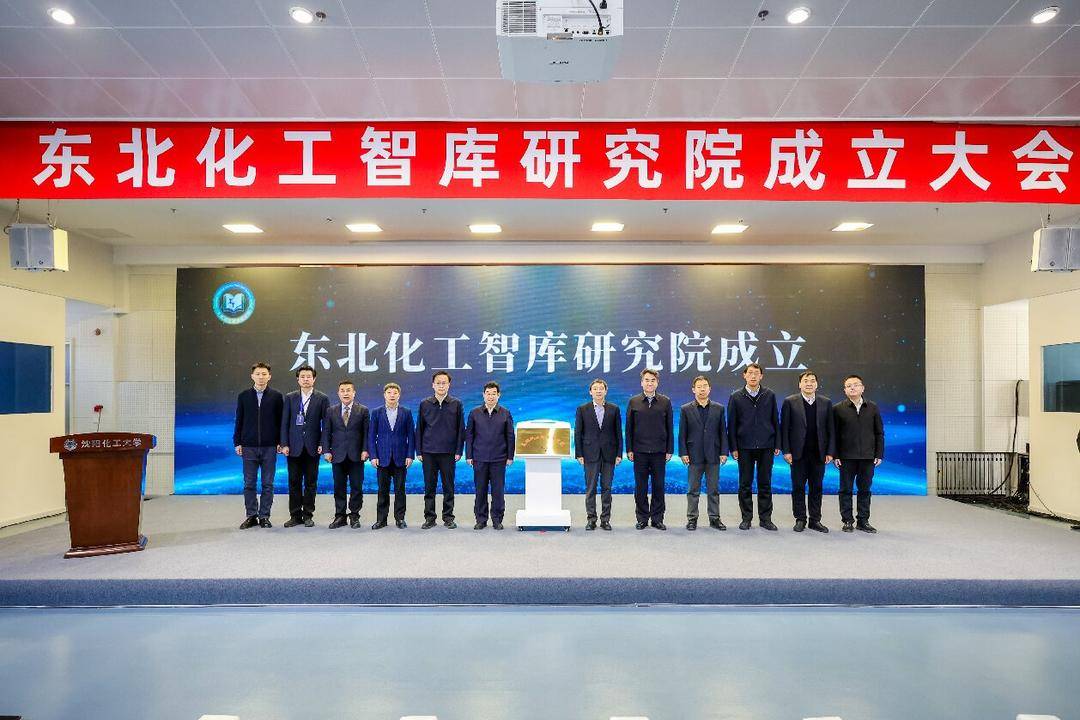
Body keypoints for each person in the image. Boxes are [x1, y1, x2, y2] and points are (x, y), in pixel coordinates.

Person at [727, 363, 781, 531]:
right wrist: (733, 447)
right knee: (745, 484)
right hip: (744, 446)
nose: (753, 376)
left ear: (761, 376)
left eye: (756, 373)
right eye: (750, 373)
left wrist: (777, 443)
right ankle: (746, 518)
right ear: (744, 375)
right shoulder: (736, 396)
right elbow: (732, 424)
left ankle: (765, 519)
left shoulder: (769, 395)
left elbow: (775, 420)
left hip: (766, 446)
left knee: (765, 483)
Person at [780, 370, 833, 533]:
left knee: (816, 487)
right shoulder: (790, 401)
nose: (809, 383)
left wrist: (830, 452)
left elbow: (831, 429)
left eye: (812, 380)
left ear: (816, 384)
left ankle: (815, 520)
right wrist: (786, 451)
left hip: (819, 453)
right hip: (798, 454)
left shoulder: (826, 402)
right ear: (800, 384)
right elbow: (784, 428)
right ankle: (800, 518)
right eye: (805, 380)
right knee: (798, 487)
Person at [233, 362, 284, 529]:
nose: (261, 377)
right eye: (258, 374)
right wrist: (237, 442)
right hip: (248, 446)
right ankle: (251, 515)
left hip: (270, 447)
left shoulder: (276, 396)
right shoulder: (243, 396)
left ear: (269, 376)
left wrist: (280, 442)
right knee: (249, 483)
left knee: (268, 484)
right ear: (252, 376)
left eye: (264, 374)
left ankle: (264, 516)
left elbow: (281, 422)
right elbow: (239, 420)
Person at [279, 364, 330, 528]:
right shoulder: (290, 397)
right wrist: (284, 444)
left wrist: (323, 444)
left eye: (309, 376)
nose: (306, 379)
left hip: (313, 447)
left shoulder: (322, 398)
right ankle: (295, 515)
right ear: (298, 379)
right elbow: (284, 422)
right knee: (293, 482)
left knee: (310, 482)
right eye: (303, 377)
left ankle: (308, 515)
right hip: (293, 447)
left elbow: (326, 424)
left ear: (314, 379)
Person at [832, 374, 884, 533]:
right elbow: (833, 434)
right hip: (846, 458)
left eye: (855, 384)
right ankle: (847, 520)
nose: (852, 387)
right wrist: (835, 455)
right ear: (844, 390)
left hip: (868, 457)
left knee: (865, 490)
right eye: (849, 386)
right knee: (845, 490)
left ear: (863, 388)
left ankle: (863, 520)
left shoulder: (873, 407)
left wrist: (879, 454)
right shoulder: (838, 409)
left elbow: (879, 433)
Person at [416, 371, 465, 529]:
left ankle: (448, 517)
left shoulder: (456, 404)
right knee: (429, 487)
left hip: (448, 453)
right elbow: (419, 428)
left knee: (448, 487)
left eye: (444, 383)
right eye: (438, 383)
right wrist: (419, 451)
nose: (441, 386)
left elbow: (461, 429)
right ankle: (430, 518)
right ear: (433, 385)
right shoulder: (425, 403)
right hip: (429, 452)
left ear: (449, 385)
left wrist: (459, 450)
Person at [625, 369, 674, 531]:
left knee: (659, 486)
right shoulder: (634, 401)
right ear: (642, 382)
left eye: (653, 380)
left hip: (660, 452)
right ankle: (642, 518)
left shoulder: (665, 402)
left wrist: (669, 449)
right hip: (639, 451)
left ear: (657, 383)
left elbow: (670, 427)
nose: (649, 383)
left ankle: (657, 519)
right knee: (641, 487)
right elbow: (629, 428)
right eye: (646, 380)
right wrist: (629, 449)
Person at [679, 375, 728, 531]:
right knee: (693, 490)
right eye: (699, 386)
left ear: (709, 389)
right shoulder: (686, 409)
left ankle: (715, 519)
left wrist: (724, 452)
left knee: (713, 490)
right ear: (693, 389)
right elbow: (682, 433)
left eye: (705, 386)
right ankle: (692, 519)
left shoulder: (719, 408)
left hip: (714, 454)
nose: (702, 389)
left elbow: (723, 432)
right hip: (694, 455)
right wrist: (683, 453)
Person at [465, 381, 515, 530]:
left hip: (499, 459)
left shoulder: (505, 413)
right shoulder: (474, 413)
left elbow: (510, 436)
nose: (491, 396)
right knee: (480, 490)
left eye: (494, 393)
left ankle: (497, 519)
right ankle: (481, 519)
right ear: (483, 395)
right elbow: (469, 435)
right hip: (479, 458)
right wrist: (469, 455)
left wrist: (510, 456)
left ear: (499, 395)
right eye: (488, 393)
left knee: (498, 491)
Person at [574, 378, 623, 531]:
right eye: (595, 389)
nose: (598, 391)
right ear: (590, 392)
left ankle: (605, 520)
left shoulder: (614, 409)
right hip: (589, 454)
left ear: (606, 391)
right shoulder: (582, 409)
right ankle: (591, 519)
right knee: (591, 488)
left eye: (601, 388)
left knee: (607, 488)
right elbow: (578, 433)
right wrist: (579, 454)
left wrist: (619, 454)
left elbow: (618, 433)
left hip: (609, 454)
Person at [368, 382, 415, 529]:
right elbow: (371, 436)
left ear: (399, 395)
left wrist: (410, 455)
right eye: (389, 393)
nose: (392, 395)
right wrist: (373, 456)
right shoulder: (376, 412)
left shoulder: (406, 412)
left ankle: (400, 519)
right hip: (382, 457)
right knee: (383, 490)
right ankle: (381, 520)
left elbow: (411, 435)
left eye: (395, 393)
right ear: (384, 395)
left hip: (401, 457)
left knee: (400, 490)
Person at [322, 380, 369, 529]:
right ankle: (340, 516)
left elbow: (366, 433)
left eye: (348, 390)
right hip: (337, 455)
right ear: (338, 393)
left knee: (356, 487)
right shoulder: (331, 411)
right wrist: (326, 450)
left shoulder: (363, 410)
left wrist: (365, 450)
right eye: (342, 390)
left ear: (354, 393)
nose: (345, 393)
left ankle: (354, 515)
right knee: (339, 487)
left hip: (357, 455)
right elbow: (326, 432)